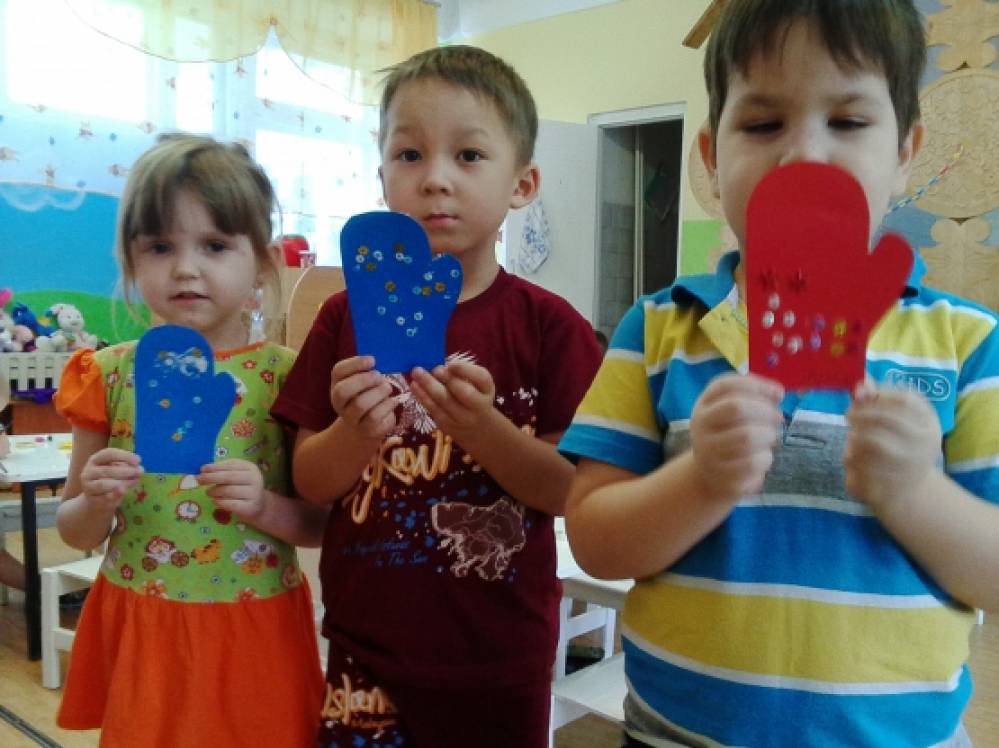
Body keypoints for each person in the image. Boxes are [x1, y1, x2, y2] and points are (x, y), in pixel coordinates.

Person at [559, 1, 999, 746]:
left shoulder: (966, 345)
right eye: (763, 124)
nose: (803, 156)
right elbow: (595, 539)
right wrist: (700, 480)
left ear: (905, 152)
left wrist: (913, 492)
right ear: (711, 156)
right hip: (676, 733)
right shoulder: (659, 329)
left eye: (848, 121)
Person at [272, 45, 602, 748]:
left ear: (522, 183)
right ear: (382, 176)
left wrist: (485, 430)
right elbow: (310, 482)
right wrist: (355, 433)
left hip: (498, 657)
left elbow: (568, 490)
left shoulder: (551, 328)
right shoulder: (341, 318)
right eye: (409, 155)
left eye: (469, 155)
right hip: (365, 650)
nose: (435, 179)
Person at [52, 134, 326, 747]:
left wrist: (262, 505)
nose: (184, 268)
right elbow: (73, 530)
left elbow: (319, 526)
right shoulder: (107, 374)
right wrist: (95, 500)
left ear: (262, 262)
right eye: (160, 246)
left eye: (215, 245)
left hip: (254, 624)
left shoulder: (286, 377)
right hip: (145, 623)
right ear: (131, 260)